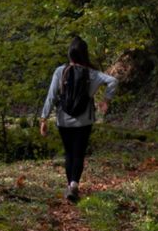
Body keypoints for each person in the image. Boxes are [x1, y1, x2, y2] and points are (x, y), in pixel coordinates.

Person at [40, 36, 118, 201]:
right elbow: (113, 81)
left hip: (63, 120)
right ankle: (74, 184)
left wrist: (43, 118)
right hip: (84, 121)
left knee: (69, 153)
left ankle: (70, 186)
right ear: (85, 54)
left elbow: (51, 96)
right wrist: (106, 100)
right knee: (79, 153)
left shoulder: (60, 71)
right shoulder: (92, 73)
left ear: (70, 54)